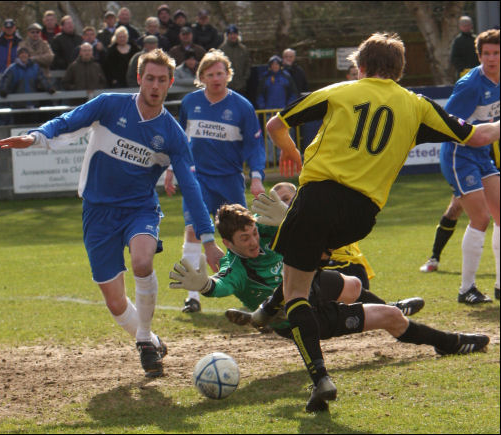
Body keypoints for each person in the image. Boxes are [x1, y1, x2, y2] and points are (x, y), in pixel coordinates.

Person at [264, 32, 500, 413]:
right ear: (400, 71)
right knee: (316, 260)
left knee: (296, 292)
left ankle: (320, 375)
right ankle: (273, 304)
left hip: (319, 196)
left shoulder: (340, 91)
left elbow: (276, 125)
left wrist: (295, 155)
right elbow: (478, 135)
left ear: (360, 66)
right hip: (362, 215)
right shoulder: (417, 104)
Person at [0, 49, 224, 379]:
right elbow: (67, 122)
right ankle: (153, 340)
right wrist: (35, 137)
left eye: (162, 80)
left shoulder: (172, 134)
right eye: (150, 78)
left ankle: (145, 341)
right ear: (139, 79)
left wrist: (208, 240)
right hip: (98, 212)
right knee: (115, 301)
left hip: (139, 209)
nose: (155, 85)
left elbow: (191, 187)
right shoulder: (109, 104)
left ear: (171, 83)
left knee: (143, 261)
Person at [168, 202, 487, 412]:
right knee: (389, 317)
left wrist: (289, 216)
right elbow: (221, 285)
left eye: (253, 233)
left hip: (310, 286)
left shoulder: (264, 233)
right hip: (300, 316)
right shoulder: (236, 268)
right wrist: (205, 287)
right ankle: (447, 341)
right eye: (244, 238)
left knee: (354, 285)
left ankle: (264, 311)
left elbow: (300, 220)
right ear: (229, 244)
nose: (253, 241)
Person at [163, 49, 266, 313]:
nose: (216, 78)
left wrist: (256, 177)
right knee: (193, 231)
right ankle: (192, 296)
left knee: (241, 237)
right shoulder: (190, 103)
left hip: (230, 180)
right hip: (196, 179)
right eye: (210, 74)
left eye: (220, 73)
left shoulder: (242, 107)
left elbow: (255, 146)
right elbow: (179, 141)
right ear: (202, 78)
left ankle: (253, 296)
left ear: (228, 75)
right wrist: (173, 171)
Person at [437, 29, 500, 303]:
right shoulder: (470, 84)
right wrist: (484, 132)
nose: (491, 58)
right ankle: (466, 289)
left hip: (481, 153)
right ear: (479, 55)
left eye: (496, 53)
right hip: (458, 155)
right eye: (486, 53)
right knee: (481, 218)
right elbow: (448, 124)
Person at [256, 55, 298, 164]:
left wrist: (287, 108)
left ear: (280, 66)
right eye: (273, 64)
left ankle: (285, 157)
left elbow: (293, 94)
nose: (275, 66)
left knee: (285, 135)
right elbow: (260, 95)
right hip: (268, 112)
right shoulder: (265, 78)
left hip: (283, 112)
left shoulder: (286, 77)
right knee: (269, 136)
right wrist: (263, 107)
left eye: (277, 64)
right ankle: (270, 160)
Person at [0, 46, 55, 124]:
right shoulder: (12, 69)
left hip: (33, 104)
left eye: (25, 53)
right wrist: (3, 90)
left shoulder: (35, 67)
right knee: (19, 128)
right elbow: (6, 80)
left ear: (28, 55)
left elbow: (42, 79)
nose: (23, 55)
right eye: (21, 54)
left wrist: (49, 88)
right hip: (18, 105)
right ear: (18, 56)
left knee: (32, 126)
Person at [218, 25, 251, 97]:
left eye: (235, 34)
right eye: (230, 34)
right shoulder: (222, 49)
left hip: (241, 86)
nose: (233, 36)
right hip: (227, 86)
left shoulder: (243, 49)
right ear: (227, 35)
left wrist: (244, 79)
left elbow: (247, 65)